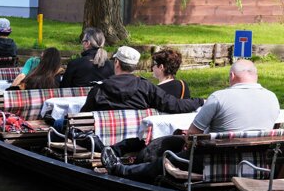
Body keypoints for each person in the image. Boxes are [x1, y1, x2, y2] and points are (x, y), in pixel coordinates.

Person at [102, 59, 280, 182]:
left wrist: (187, 138)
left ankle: (123, 170)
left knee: (165, 159)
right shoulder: (272, 98)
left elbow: (192, 136)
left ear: (232, 76)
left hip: (211, 164)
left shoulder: (220, 97)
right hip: (256, 165)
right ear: (255, 76)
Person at [80, 46, 203, 113]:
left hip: (99, 143)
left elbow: (82, 120)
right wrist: (200, 101)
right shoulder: (147, 88)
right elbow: (174, 105)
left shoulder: (98, 90)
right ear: (134, 66)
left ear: (116, 63)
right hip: (135, 142)